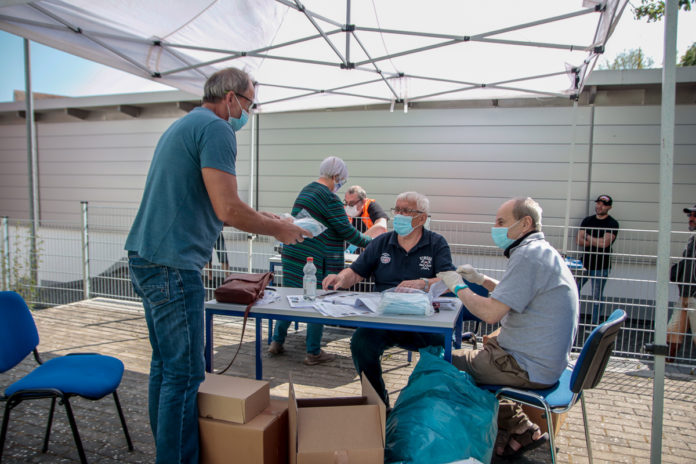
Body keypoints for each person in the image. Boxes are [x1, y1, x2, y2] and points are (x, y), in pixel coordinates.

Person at [124, 68, 308, 464]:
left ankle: (166, 453)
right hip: (173, 264)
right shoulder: (218, 129)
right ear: (230, 98)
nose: (248, 112)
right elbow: (227, 209)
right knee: (185, 375)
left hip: (146, 256)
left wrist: (269, 218)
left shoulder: (186, 124)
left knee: (166, 366)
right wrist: (280, 231)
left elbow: (216, 201)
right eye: (249, 103)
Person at [437, 197, 578, 460]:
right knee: (476, 355)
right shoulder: (542, 252)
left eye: (501, 222)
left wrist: (458, 286)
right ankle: (518, 427)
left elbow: (491, 312)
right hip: (547, 363)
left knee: (441, 361)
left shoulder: (527, 255)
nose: (495, 227)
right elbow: (516, 294)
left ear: (525, 223)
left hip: (525, 366)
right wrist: (482, 280)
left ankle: (454, 441)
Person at [322, 191, 455, 406]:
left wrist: (424, 283)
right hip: (384, 317)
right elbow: (356, 271)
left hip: (423, 320)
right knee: (361, 344)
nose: (399, 215)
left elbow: (449, 280)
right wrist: (340, 277)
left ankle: (425, 406)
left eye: (406, 211)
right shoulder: (382, 242)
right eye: (397, 210)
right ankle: (378, 404)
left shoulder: (436, 244)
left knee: (439, 350)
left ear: (422, 218)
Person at [269, 156, 372, 365]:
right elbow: (347, 231)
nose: (340, 184)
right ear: (336, 177)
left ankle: (277, 342)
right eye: (341, 179)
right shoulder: (329, 198)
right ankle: (313, 352)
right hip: (316, 260)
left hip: (293, 253)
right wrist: (373, 243)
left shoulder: (307, 189)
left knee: (291, 298)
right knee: (317, 301)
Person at [576, 194, 620, 324]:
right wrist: (597, 240)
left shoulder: (612, 223)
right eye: (599, 203)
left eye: (604, 204)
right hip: (584, 263)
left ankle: (595, 325)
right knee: (574, 290)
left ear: (609, 207)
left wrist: (588, 237)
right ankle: (573, 321)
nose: (600, 206)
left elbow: (604, 244)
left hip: (602, 265)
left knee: (596, 297)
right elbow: (579, 240)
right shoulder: (588, 220)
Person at [667, 204, 696, 362]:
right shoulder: (692, 239)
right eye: (690, 215)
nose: (691, 218)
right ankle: (663, 366)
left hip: (694, 296)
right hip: (684, 296)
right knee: (672, 333)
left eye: (694, 216)